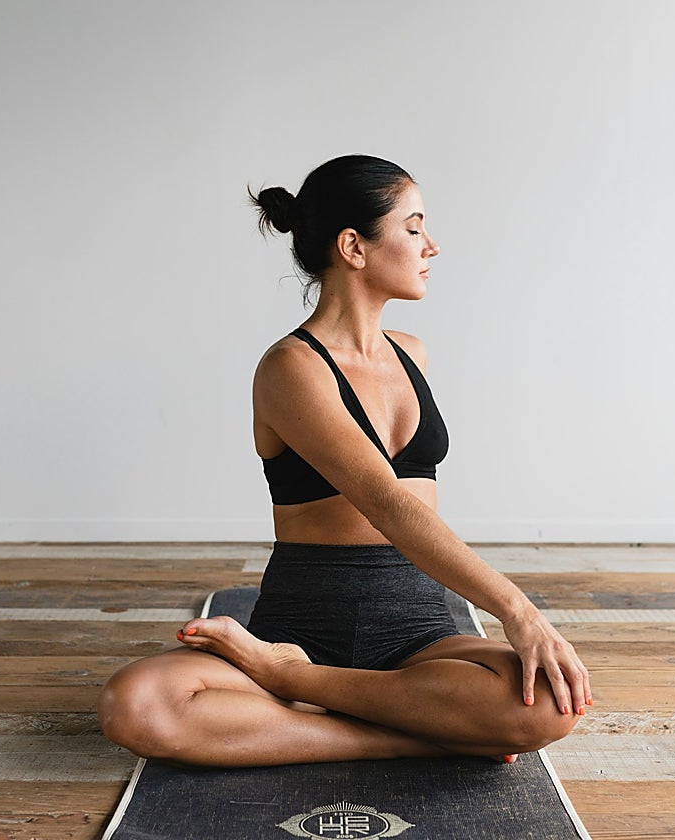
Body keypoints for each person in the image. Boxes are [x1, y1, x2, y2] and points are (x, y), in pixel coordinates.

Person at [97, 155, 591, 767]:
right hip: (299, 627)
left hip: (415, 631)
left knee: (550, 703)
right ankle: (392, 724)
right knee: (137, 704)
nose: (431, 246)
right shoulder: (290, 368)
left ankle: (302, 689)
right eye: (413, 228)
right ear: (354, 246)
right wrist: (518, 610)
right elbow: (386, 502)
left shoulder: (413, 355)